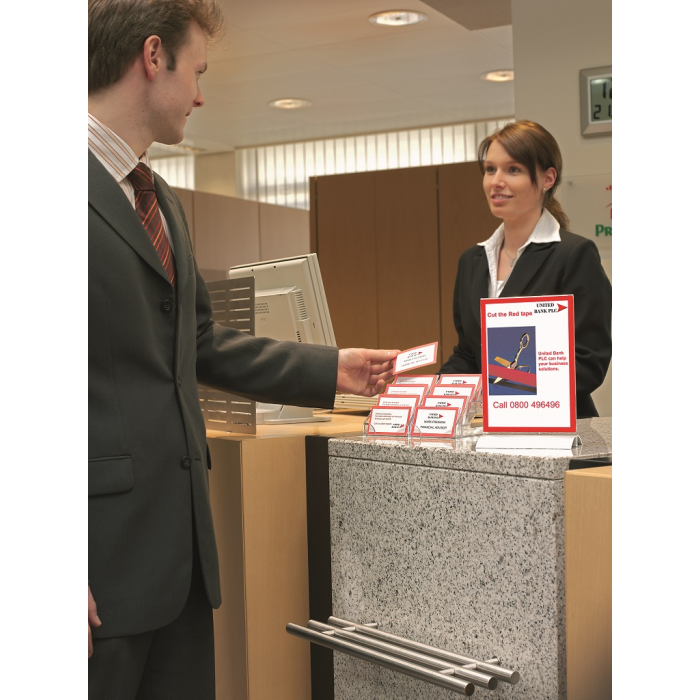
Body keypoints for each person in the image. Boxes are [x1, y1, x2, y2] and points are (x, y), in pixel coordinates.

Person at [88, 1, 397, 697]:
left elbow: (197, 341)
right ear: (153, 57)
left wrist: (333, 368)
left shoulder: (159, 198)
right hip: (96, 573)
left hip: (181, 568)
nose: (201, 95)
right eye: (197, 72)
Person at [439, 120, 611, 418]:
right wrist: (437, 395)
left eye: (513, 170)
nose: (496, 181)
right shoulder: (472, 261)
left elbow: (587, 361)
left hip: (558, 427)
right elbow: (469, 353)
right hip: (490, 427)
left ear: (547, 179)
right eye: (490, 169)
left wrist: (505, 389)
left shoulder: (574, 255)